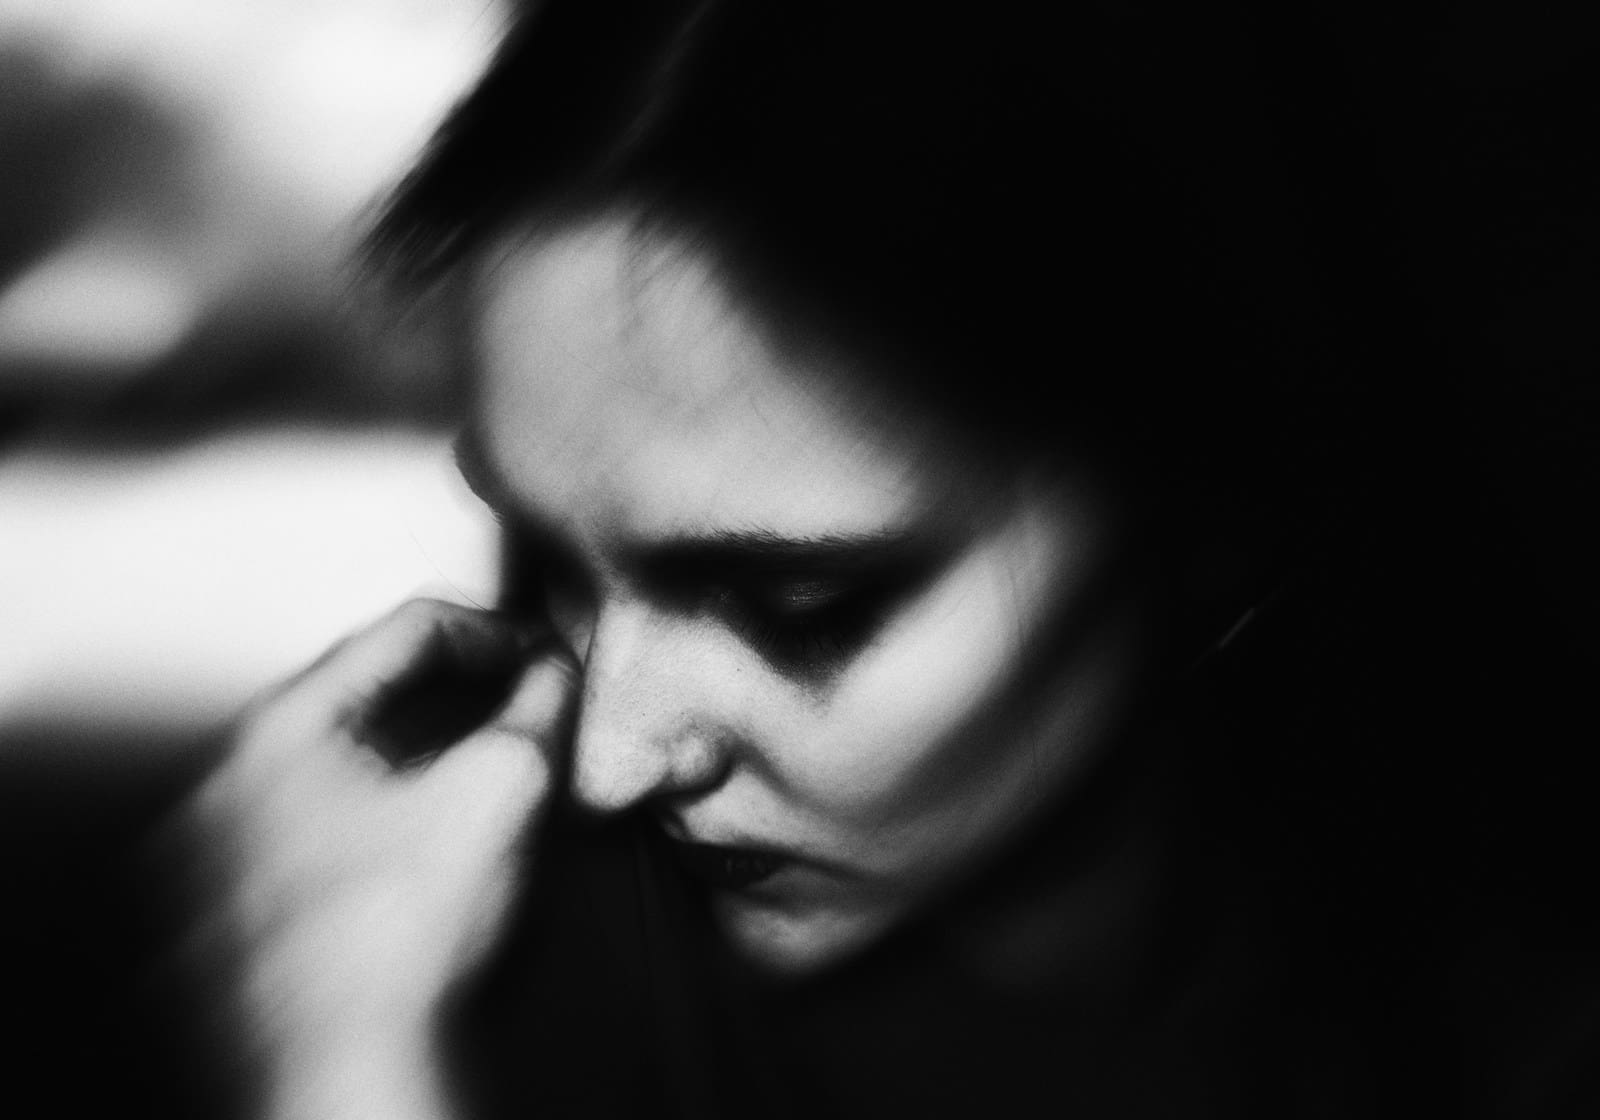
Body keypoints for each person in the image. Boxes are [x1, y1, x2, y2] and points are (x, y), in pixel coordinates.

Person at [171, 3, 1598, 1118]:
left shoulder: (1513, 1022)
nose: (610, 757)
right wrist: (343, 1043)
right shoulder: (481, 971)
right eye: (551, 561)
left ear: (1210, 503)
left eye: (801, 607)